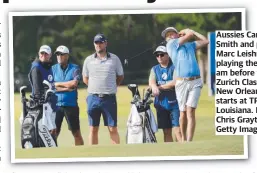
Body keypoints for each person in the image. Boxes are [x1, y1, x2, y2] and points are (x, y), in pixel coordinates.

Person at [163, 26, 209, 142]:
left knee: (190, 110)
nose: (169, 36)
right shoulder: (171, 44)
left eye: (171, 33)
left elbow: (206, 41)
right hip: (181, 82)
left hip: (196, 81)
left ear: (177, 34)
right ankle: (183, 139)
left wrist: (194, 32)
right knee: (183, 112)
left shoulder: (190, 45)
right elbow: (188, 35)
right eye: (167, 35)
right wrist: (189, 32)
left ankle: (189, 141)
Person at [82, 33, 124, 145]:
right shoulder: (88, 60)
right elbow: (85, 78)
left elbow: (120, 76)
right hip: (93, 98)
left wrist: (112, 86)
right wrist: (94, 87)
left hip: (109, 98)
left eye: (101, 42)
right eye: (96, 42)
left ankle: (115, 156)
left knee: (112, 128)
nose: (98, 45)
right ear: (94, 44)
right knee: (93, 128)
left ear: (106, 43)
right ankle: (93, 156)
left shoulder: (114, 59)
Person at [52, 45, 84, 146]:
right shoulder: (53, 69)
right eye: (57, 54)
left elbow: (74, 84)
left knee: (76, 133)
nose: (59, 56)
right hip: (56, 106)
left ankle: (81, 156)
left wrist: (58, 84)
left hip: (71, 105)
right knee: (54, 133)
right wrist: (66, 88)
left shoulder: (75, 68)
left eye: (61, 54)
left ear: (67, 56)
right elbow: (51, 86)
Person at [149, 45, 182, 142]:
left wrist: (158, 87)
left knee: (177, 129)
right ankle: (170, 152)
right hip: (161, 104)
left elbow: (175, 82)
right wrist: (154, 86)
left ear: (168, 55)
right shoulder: (154, 69)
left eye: (162, 54)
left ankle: (182, 151)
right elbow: (151, 81)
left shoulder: (175, 67)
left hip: (175, 103)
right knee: (166, 131)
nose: (159, 57)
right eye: (157, 55)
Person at [28, 45, 56, 135]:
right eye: (42, 53)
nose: (43, 55)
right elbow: (37, 90)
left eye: (46, 53)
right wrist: (41, 104)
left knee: (52, 131)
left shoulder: (48, 66)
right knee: (46, 133)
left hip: (51, 103)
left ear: (50, 55)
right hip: (42, 105)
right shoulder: (36, 67)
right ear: (38, 54)